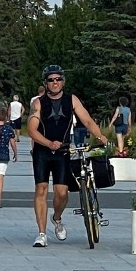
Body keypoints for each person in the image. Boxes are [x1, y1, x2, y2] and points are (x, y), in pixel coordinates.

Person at [27, 65, 108, 248]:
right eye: (51, 80)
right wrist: (48, 143)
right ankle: (41, 233)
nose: (55, 82)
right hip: (43, 150)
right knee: (41, 189)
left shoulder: (71, 100)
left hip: (63, 150)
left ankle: (56, 218)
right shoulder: (39, 103)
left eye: (58, 79)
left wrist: (99, 135)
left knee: (62, 193)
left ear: (63, 81)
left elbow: (86, 120)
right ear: (45, 83)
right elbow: (32, 129)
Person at [0, 106, 18, 208]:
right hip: (3, 154)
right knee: (0, 175)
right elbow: (12, 143)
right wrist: (15, 153)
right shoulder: (9, 129)